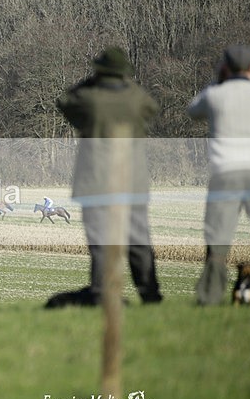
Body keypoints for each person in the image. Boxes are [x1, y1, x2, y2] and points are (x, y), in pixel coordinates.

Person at [45, 46, 164, 308]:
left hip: (96, 180)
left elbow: (64, 102)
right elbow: (152, 108)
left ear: (99, 72)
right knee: (139, 241)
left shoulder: (90, 97)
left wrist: (89, 81)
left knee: (101, 243)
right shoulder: (135, 97)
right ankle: (150, 295)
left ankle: (102, 292)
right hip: (131, 179)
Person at [187, 44, 250, 305]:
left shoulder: (215, 95)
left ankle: (210, 297)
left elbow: (193, 110)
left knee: (217, 241)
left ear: (225, 68)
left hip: (226, 173)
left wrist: (218, 79)